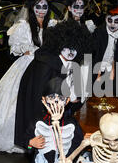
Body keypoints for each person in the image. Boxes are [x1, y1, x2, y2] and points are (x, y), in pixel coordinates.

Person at [0, 0, 57, 153]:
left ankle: (43, 136)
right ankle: (23, 137)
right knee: (21, 101)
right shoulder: (25, 26)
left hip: (46, 68)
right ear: (32, 8)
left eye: (44, 6)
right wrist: (27, 49)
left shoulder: (52, 25)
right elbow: (14, 47)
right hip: (28, 66)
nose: (42, 10)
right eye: (38, 6)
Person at [14, 18, 93, 152]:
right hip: (43, 120)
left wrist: (73, 100)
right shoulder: (46, 66)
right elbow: (36, 101)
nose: (71, 52)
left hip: (57, 116)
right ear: (59, 44)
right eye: (67, 47)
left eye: (75, 48)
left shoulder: (66, 62)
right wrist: (32, 139)